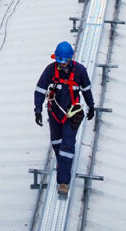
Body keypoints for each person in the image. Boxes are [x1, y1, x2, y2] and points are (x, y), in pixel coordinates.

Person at [34, 41, 95, 196]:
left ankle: (63, 182)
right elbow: (40, 89)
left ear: (70, 59)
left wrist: (91, 106)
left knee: (67, 147)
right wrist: (38, 110)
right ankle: (63, 165)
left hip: (71, 115)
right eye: (58, 61)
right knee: (57, 143)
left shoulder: (80, 71)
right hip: (54, 114)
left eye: (64, 61)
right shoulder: (50, 70)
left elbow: (86, 90)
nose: (61, 64)